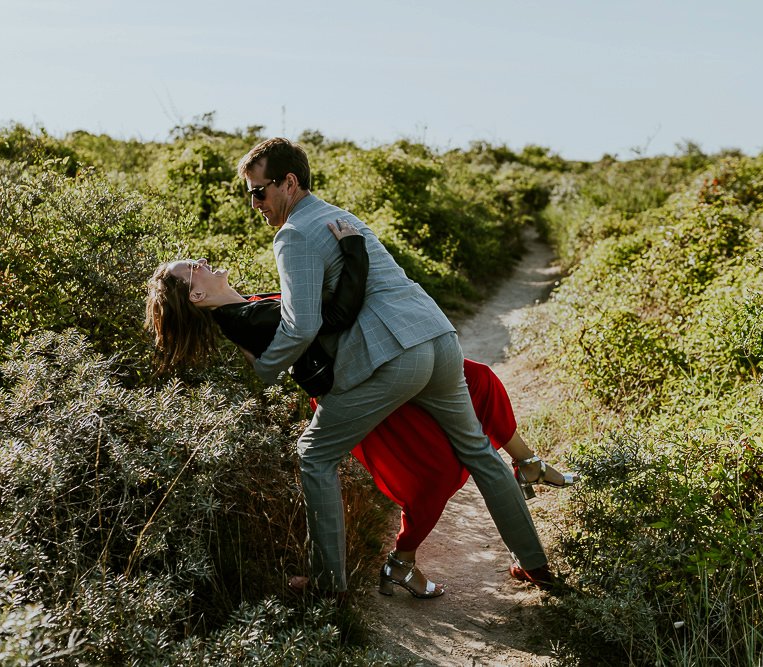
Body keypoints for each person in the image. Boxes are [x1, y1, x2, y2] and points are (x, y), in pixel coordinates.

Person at [144, 221, 577, 598]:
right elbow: (335, 314)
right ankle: (334, 581)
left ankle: (523, 514)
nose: (201, 262)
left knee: (476, 386)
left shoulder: (245, 310)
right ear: (196, 294)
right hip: (362, 382)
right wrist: (353, 247)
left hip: (378, 363)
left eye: (195, 259)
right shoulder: (244, 319)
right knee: (335, 458)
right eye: (192, 269)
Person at [231, 137, 560, 598]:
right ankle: (537, 567)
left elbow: (299, 324)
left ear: (289, 182)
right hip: (437, 337)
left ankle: (328, 587)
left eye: (258, 191)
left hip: (394, 355)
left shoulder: (293, 234)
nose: (253, 203)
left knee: (314, 454)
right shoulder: (342, 217)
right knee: (481, 455)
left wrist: (265, 369)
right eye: (248, 193)